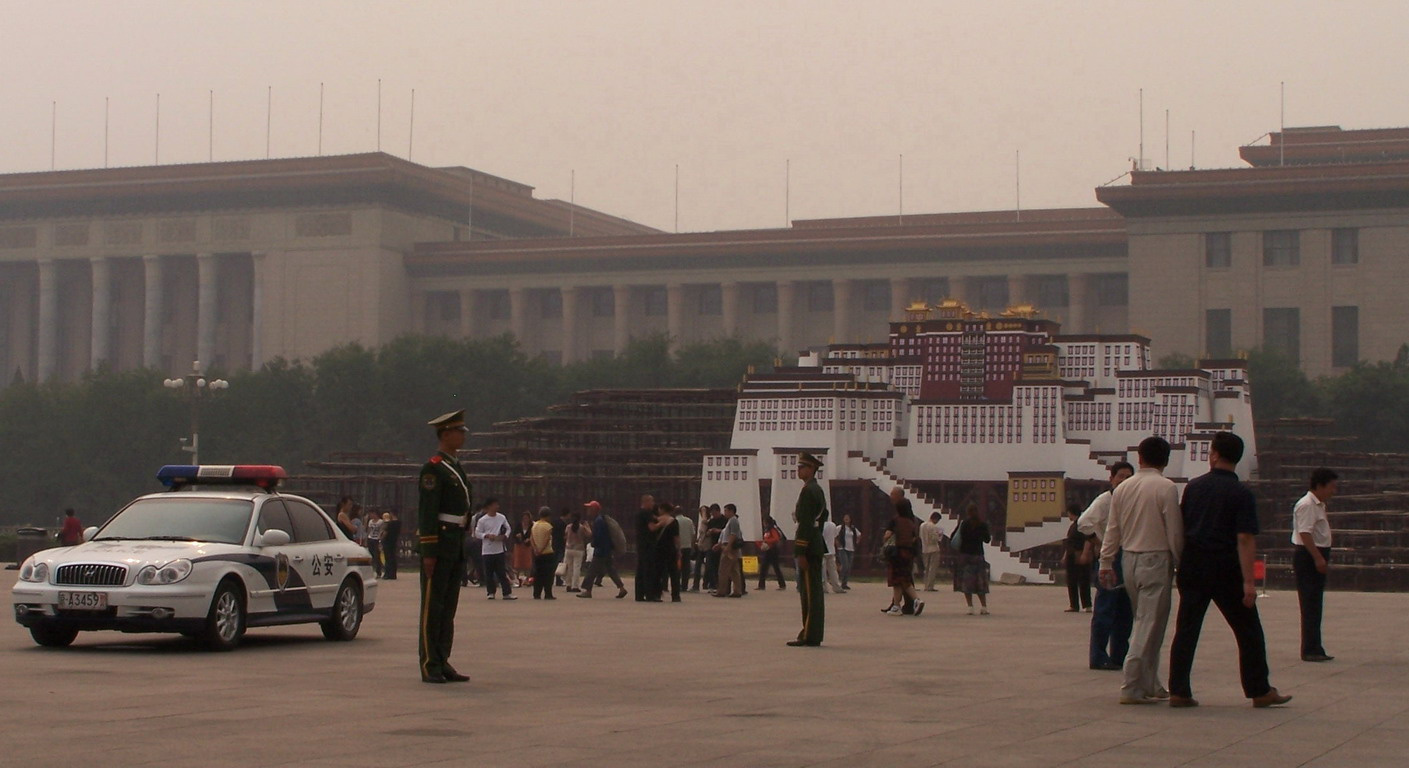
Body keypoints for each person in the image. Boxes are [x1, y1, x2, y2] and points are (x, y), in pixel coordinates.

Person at [1168, 431, 1292, 709]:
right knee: (1248, 631)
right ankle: (1259, 689)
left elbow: (1182, 526)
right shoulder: (1242, 493)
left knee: (1187, 629)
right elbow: (1245, 538)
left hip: (1193, 565)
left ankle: (1178, 689)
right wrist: (1250, 582)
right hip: (1225, 568)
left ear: (1213, 455)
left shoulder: (1194, 487)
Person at [1099, 436, 1181, 705]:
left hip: (1129, 560)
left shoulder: (1123, 488)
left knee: (1146, 621)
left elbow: (1113, 529)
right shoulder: (1166, 487)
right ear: (1165, 461)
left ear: (1140, 458)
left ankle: (1150, 682)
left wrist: (1106, 561)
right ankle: (1132, 684)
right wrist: (1181, 561)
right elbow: (1174, 531)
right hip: (1155, 559)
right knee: (1149, 624)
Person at [416, 409, 473, 684]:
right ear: (446, 433)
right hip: (439, 543)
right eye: (459, 431)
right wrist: (429, 551)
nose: (463, 436)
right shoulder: (433, 468)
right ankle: (430, 663)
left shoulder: (454, 466)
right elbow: (428, 512)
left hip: (455, 542)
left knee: (448, 607)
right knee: (433, 606)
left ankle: (443, 658)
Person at [1077, 461, 1135, 670]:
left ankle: (1120, 655)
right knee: (1105, 608)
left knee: (1125, 611)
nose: (1125, 480)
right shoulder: (1105, 500)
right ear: (1111, 479)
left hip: (1129, 555)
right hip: (1112, 557)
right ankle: (1098, 655)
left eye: (1129, 476)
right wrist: (1099, 543)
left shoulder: (1132, 500)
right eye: (1121, 476)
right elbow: (1083, 523)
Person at [1293, 468, 1338, 663]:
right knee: (1309, 602)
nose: (1333, 491)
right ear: (1320, 485)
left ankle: (1315, 645)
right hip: (1309, 554)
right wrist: (1318, 558)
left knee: (1315, 603)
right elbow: (1305, 533)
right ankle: (1309, 648)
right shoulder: (1307, 504)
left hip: (1316, 552)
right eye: (1331, 486)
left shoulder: (1319, 505)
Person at [789, 452, 828, 646]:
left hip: (809, 547)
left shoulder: (808, 491)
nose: (799, 470)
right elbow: (822, 517)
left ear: (812, 469)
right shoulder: (816, 489)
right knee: (812, 591)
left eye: (802, 467)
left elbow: (805, 523)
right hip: (815, 543)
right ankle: (810, 631)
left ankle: (810, 634)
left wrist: (800, 551)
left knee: (810, 593)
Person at [882, 492, 923, 616]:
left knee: (897, 579)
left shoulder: (895, 520)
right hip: (908, 553)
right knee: (902, 579)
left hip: (897, 553)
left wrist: (886, 540)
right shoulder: (912, 522)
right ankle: (896, 605)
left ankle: (915, 600)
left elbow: (887, 535)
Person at [577, 500, 628, 599]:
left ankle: (588, 591)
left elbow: (599, 537)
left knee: (591, 571)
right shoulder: (600, 520)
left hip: (600, 551)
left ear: (594, 509)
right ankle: (622, 588)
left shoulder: (598, 521)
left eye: (589, 508)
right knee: (611, 569)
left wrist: (593, 542)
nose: (587, 510)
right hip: (606, 550)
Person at [953, 504, 991, 615]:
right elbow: (987, 540)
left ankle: (970, 607)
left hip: (965, 555)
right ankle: (984, 606)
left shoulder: (964, 524)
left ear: (967, 512)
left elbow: (954, 537)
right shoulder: (982, 525)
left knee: (966, 582)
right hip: (978, 555)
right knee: (980, 581)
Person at [474, 498, 516, 600]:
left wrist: (505, 536)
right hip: (487, 550)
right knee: (489, 573)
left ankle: (507, 593)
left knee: (501, 572)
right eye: (495, 505)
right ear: (489, 506)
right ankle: (491, 592)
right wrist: (487, 535)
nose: (497, 506)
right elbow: (477, 533)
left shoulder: (501, 517)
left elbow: (508, 528)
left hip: (499, 549)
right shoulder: (482, 520)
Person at [651, 502, 682, 601]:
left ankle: (657, 594)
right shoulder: (674, 521)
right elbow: (676, 538)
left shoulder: (656, 520)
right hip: (670, 549)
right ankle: (675, 595)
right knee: (674, 573)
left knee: (658, 572)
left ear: (662, 509)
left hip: (658, 549)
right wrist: (679, 550)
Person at [1063, 503, 1091, 612]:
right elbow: (1069, 542)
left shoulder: (1081, 524)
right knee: (1071, 580)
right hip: (1071, 554)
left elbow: (1088, 539)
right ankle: (1074, 605)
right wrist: (1065, 555)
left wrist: (1085, 553)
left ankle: (1087, 604)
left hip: (1079, 554)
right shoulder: (1073, 525)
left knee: (1083, 579)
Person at [713, 504, 745, 598]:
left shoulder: (733, 521)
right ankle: (737, 591)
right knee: (734, 570)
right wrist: (719, 545)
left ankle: (721, 591)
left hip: (729, 547)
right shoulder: (730, 521)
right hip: (727, 546)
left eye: (726, 510)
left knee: (723, 569)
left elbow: (733, 534)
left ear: (731, 511)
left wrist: (728, 546)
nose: (725, 513)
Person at [634, 494, 659, 602]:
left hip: (641, 544)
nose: (653, 504)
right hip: (648, 545)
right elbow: (652, 527)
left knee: (640, 570)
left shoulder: (639, 514)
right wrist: (662, 523)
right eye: (652, 501)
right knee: (649, 570)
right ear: (646, 502)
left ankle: (639, 595)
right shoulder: (647, 513)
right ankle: (650, 594)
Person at [530, 507, 557, 600]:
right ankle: (548, 593)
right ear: (548, 516)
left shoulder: (534, 525)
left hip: (537, 553)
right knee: (548, 575)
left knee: (538, 574)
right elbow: (547, 539)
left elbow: (531, 538)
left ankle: (536, 593)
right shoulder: (548, 526)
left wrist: (535, 549)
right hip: (547, 553)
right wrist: (541, 549)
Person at [756, 515, 787, 590]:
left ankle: (781, 584)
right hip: (768, 550)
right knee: (765, 567)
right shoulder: (767, 530)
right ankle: (762, 585)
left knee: (774, 567)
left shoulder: (772, 529)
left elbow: (776, 539)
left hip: (773, 550)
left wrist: (766, 541)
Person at [562, 511, 590, 593]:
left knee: (568, 567)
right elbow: (589, 534)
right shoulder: (581, 527)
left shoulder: (568, 527)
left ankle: (568, 584)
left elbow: (565, 536)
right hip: (579, 549)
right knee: (576, 568)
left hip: (569, 548)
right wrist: (587, 526)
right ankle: (575, 586)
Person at [689, 506, 713, 592]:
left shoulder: (708, 521)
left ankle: (707, 583)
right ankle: (696, 585)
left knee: (708, 565)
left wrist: (703, 511)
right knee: (698, 566)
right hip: (701, 545)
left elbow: (704, 521)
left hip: (708, 545)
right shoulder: (704, 522)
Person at [703, 504, 725, 592]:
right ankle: (713, 584)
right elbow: (706, 533)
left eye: (714, 513)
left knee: (722, 566)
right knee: (712, 566)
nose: (713, 515)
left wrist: (717, 530)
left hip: (722, 545)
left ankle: (721, 584)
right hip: (712, 545)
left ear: (718, 511)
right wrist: (709, 532)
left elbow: (726, 531)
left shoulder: (725, 520)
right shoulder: (711, 521)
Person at [919, 511, 943, 592]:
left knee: (926, 568)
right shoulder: (933, 526)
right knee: (932, 568)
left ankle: (926, 584)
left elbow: (920, 536)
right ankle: (930, 586)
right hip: (933, 549)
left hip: (924, 548)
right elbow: (934, 538)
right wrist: (939, 536)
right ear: (935, 519)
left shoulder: (922, 525)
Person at [675, 506, 696, 596]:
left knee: (676, 567)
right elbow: (693, 534)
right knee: (686, 567)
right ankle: (684, 585)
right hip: (687, 547)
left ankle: (676, 584)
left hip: (677, 547)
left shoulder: (674, 521)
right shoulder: (689, 521)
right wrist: (692, 545)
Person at [837, 513, 860, 590]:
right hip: (843, 548)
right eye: (845, 518)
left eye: (848, 518)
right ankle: (839, 579)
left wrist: (857, 541)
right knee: (845, 565)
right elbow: (834, 535)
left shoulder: (853, 528)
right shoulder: (840, 527)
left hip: (851, 548)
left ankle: (844, 583)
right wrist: (837, 543)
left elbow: (859, 535)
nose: (846, 519)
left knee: (849, 567)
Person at [821, 515, 843, 594]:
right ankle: (836, 586)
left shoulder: (819, 525)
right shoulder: (833, 525)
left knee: (822, 571)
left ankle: (824, 587)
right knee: (833, 571)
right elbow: (835, 536)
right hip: (831, 550)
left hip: (822, 551)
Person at [511, 511, 535, 587]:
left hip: (527, 546)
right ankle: (518, 580)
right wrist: (517, 536)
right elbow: (513, 534)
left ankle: (527, 580)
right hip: (519, 545)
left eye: (527, 518)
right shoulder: (519, 525)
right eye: (524, 518)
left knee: (527, 563)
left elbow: (533, 535)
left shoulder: (532, 526)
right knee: (518, 563)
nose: (525, 520)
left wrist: (529, 539)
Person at [364, 509, 385, 578]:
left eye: (372, 514)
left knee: (377, 556)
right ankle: (370, 571)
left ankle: (378, 572)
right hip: (371, 538)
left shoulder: (380, 521)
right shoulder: (370, 521)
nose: (371, 516)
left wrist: (380, 539)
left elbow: (381, 530)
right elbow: (368, 530)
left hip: (376, 539)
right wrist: (366, 539)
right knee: (371, 555)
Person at [381, 511, 401, 580]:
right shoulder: (399, 523)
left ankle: (388, 574)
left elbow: (385, 533)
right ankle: (393, 574)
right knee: (393, 558)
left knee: (388, 558)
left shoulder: (390, 523)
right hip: (394, 541)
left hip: (388, 542)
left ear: (392, 514)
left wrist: (381, 539)